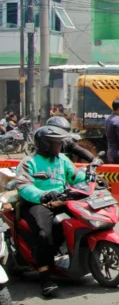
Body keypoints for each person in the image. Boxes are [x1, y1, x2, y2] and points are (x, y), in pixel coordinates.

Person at [16, 125, 86, 296]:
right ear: (45, 144)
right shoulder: (29, 162)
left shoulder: (62, 159)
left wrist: (91, 177)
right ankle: (45, 277)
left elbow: (75, 177)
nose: (59, 146)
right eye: (56, 143)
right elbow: (24, 187)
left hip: (61, 200)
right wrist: (44, 195)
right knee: (43, 235)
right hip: (38, 203)